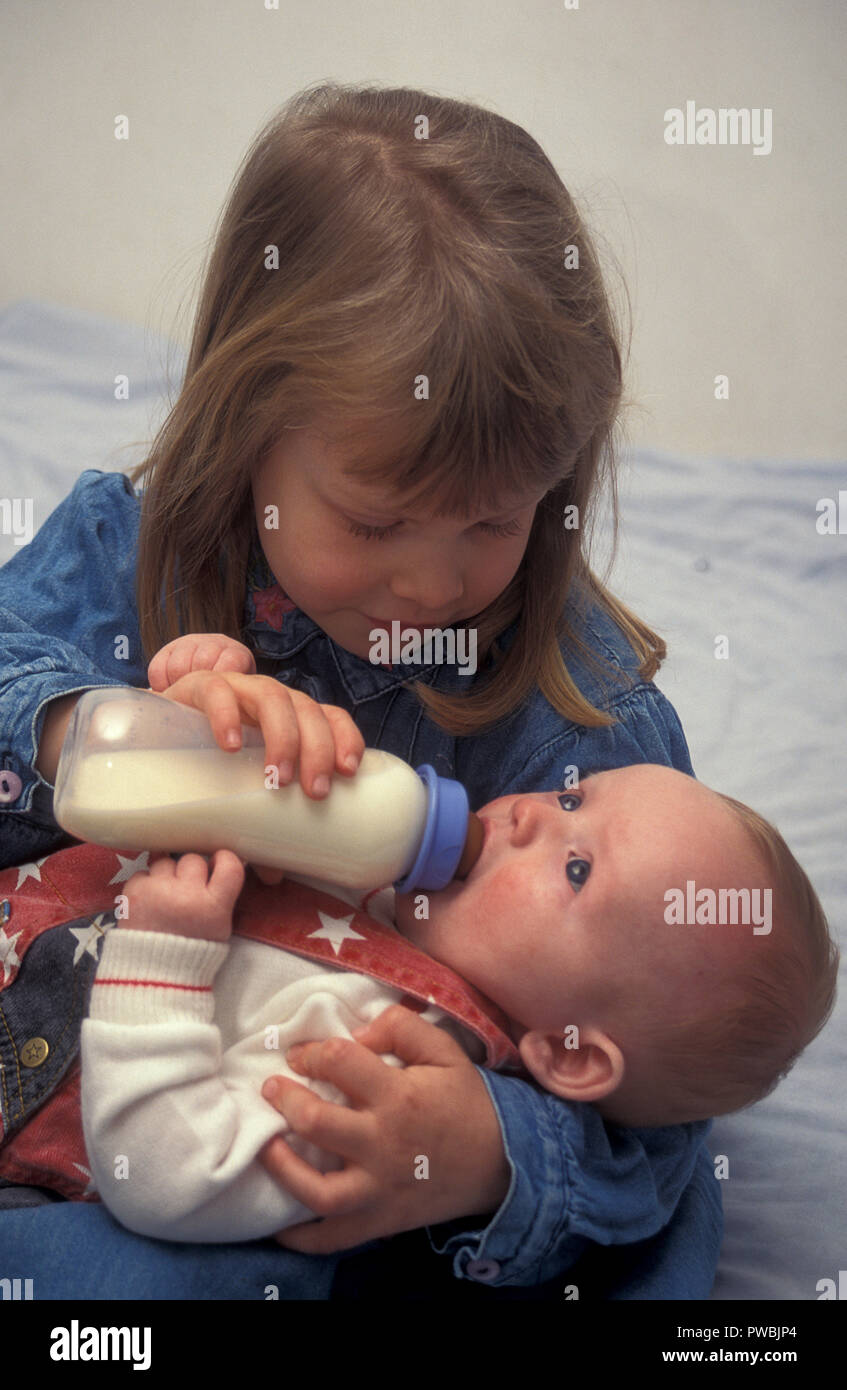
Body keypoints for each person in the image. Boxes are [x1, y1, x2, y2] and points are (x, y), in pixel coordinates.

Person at [0, 80, 728, 1298]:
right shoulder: (120, 561)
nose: (434, 583)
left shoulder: (575, 720)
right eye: (377, 518)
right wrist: (92, 729)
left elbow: (665, 1057)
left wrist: (493, 1156)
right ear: (246, 427)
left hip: (239, 1130)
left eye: (492, 521)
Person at [70, 759, 836, 1244]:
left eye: (575, 870)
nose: (532, 810)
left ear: (568, 1050)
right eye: (573, 796)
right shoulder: (402, 889)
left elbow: (169, 1178)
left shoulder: (382, 1067)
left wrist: (159, 957)